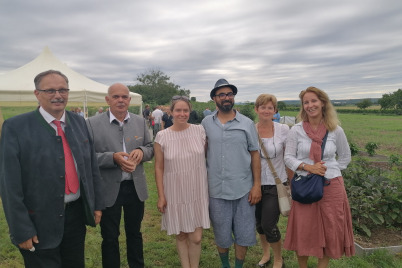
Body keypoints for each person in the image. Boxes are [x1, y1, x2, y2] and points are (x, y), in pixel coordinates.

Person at [0, 70, 103, 268]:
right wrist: (21, 228)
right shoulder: (16, 127)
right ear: (37, 93)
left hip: (75, 217)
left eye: (63, 89)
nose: (58, 95)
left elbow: (91, 167)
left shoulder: (80, 122)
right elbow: (9, 184)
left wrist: (96, 204)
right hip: (38, 220)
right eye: (50, 90)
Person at [283, 86, 354, 268]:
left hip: (332, 187)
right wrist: (308, 168)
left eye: (314, 101)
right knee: (304, 230)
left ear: (323, 103)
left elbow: (345, 157)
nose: (310, 105)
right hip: (305, 187)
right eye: (306, 102)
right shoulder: (296, 130)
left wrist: (330, 170)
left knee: (331, 229)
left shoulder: (335, 130)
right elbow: (288, 157)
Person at [86, 83, 154, 268]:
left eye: (124, 97)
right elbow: (87, 157)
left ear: (129, 100)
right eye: (116, 97)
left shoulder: (140, 122)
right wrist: (113, 158)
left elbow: (151, 148)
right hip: (109, 188)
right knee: (109, 237)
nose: (120, 100)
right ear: (107, 100)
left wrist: (141, 151)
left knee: (135, 233)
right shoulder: (92, 124)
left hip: (134, 187)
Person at [201, 78, 261, 268]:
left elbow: (255, 154)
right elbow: (201, 152)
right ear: (214, 99)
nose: (226, 98)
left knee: (244, 234)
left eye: (230, 94)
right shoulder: (206, 123)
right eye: (222, 95)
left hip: (243, 189)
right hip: (216, 189)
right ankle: (225, 265)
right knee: (222, 234)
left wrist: (257, 185)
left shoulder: (247, 123)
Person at [154, 96, 210, 268]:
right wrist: (161, 196)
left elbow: (206, 157)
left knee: (196, 237)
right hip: (174, 190)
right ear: (171, 112)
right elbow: (159, 168)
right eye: (178, 110)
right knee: (181, 235)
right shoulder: (162, 136)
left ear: (189, 111)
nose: (182, 113)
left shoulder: (199, 131)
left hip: (197, 189)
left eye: (185, 110)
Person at [254, 94, 290, 268]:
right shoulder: (251, 130)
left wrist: (290, 181)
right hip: (255, 185)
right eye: (263, 107)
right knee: (259, 224)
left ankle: (278, 258)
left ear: (275, 110)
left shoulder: (283, 129)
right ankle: (266, 254)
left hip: (276, 184)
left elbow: (289, 156)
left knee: (269, 223)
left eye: (270, 107)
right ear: (257, 110)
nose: (267, 110)